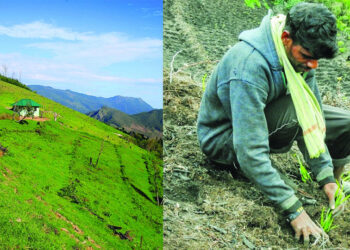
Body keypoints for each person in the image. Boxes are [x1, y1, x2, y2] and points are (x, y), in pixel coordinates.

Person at [197, 2, 350, 243]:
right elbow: (249, 150)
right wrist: (294, 209)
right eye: (308, 58)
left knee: (345, 121)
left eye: (317, 60)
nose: (312, 66)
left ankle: (334, 187)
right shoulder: (250, 65)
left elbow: (314, 113)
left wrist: (326, 175)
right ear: (286, 38)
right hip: (225, 140)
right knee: (298, 111)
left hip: (265, 116)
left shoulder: (302, 55)